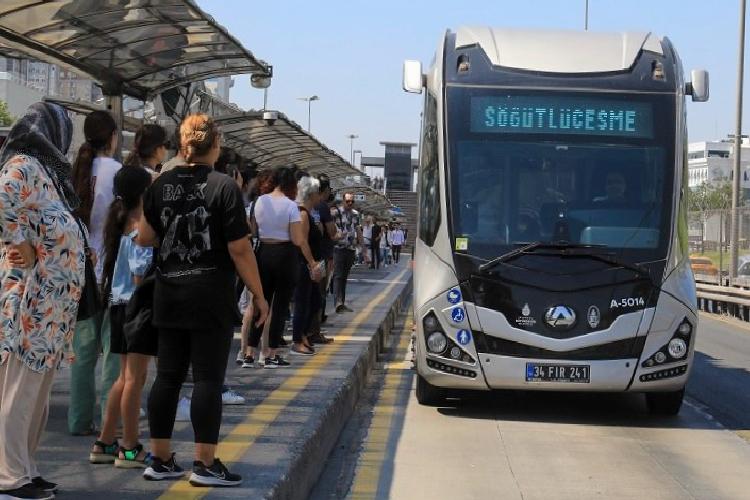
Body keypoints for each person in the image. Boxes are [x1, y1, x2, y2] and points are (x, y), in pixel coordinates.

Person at [136, 113, 269, 487]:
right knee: (209, 379)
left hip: (169, 291)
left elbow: (144, 237)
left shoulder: (160, 184)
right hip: (210, 294)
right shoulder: (223, 186)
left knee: (167, 377)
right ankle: (205, 463)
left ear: (183, 145)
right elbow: (240, 249)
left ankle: (160, 459)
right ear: (214, 145)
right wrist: (259, 296)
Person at [0, 102, 84, 500]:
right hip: (29, 303)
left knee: (35, 394)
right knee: (18, 391)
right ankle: (8, 477)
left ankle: (26, 468)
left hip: (52, 307)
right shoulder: (24, 164)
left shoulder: (48, 172)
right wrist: (23, 245)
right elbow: (2, 201)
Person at [89, 167, 153, 468]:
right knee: (134, 380)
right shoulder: (142, 224)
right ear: (143, 192)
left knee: (123, 377)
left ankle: (103, 442)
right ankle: (129, 447)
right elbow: (140, 277)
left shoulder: (121, 219)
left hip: (118, 306)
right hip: (136, 307)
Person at [68, 110, 122, 436]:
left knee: (82, 354)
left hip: (80, 269)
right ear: (112, 137)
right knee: (112, 351)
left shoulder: (73, 172)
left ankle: (78, 421)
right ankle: (108, 424)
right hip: (112, 267)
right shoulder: (117, 172)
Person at [246, 167, 321, 368]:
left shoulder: (260, 201)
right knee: (279, 308)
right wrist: (312, 262)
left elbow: (252, 230)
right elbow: (298, 239)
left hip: (263, 253)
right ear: (290, 185)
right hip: (285, 256)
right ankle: (270, 354)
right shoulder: (290, 206)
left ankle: (249, 352)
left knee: (260, 303)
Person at [291, 176, 323, 356]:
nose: (320, 196)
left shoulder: (307, 214)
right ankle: (297, 339)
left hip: (308, 265)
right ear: (311, 195)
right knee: (303, 303)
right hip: (303, 265)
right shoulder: (303, 214)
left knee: (314, 301)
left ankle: (302, 335)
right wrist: (312, 263)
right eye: (318, 193)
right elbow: (302, 241)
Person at [333, 192, 362, 313]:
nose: (350, 203)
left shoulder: (356, 214)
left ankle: (342, 303)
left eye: (352, 201)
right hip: (338, 248)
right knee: (338, 275)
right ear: (343, 201)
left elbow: (358, 231)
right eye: (347, 201)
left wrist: (363, 250)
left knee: (344, 277)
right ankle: (338, 303)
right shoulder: (335, 213)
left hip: (350, 249)